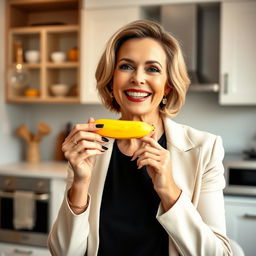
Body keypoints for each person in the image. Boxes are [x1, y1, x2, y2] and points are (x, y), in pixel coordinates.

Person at [48, 20, 232, 256]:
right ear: (112, 79)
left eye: (153, 69)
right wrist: (80, 183)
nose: (138, 78)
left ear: (167, 86)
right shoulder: (90, 148)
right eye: (126, 66)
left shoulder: (205, 148)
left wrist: (169, 191)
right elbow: (63, 253)